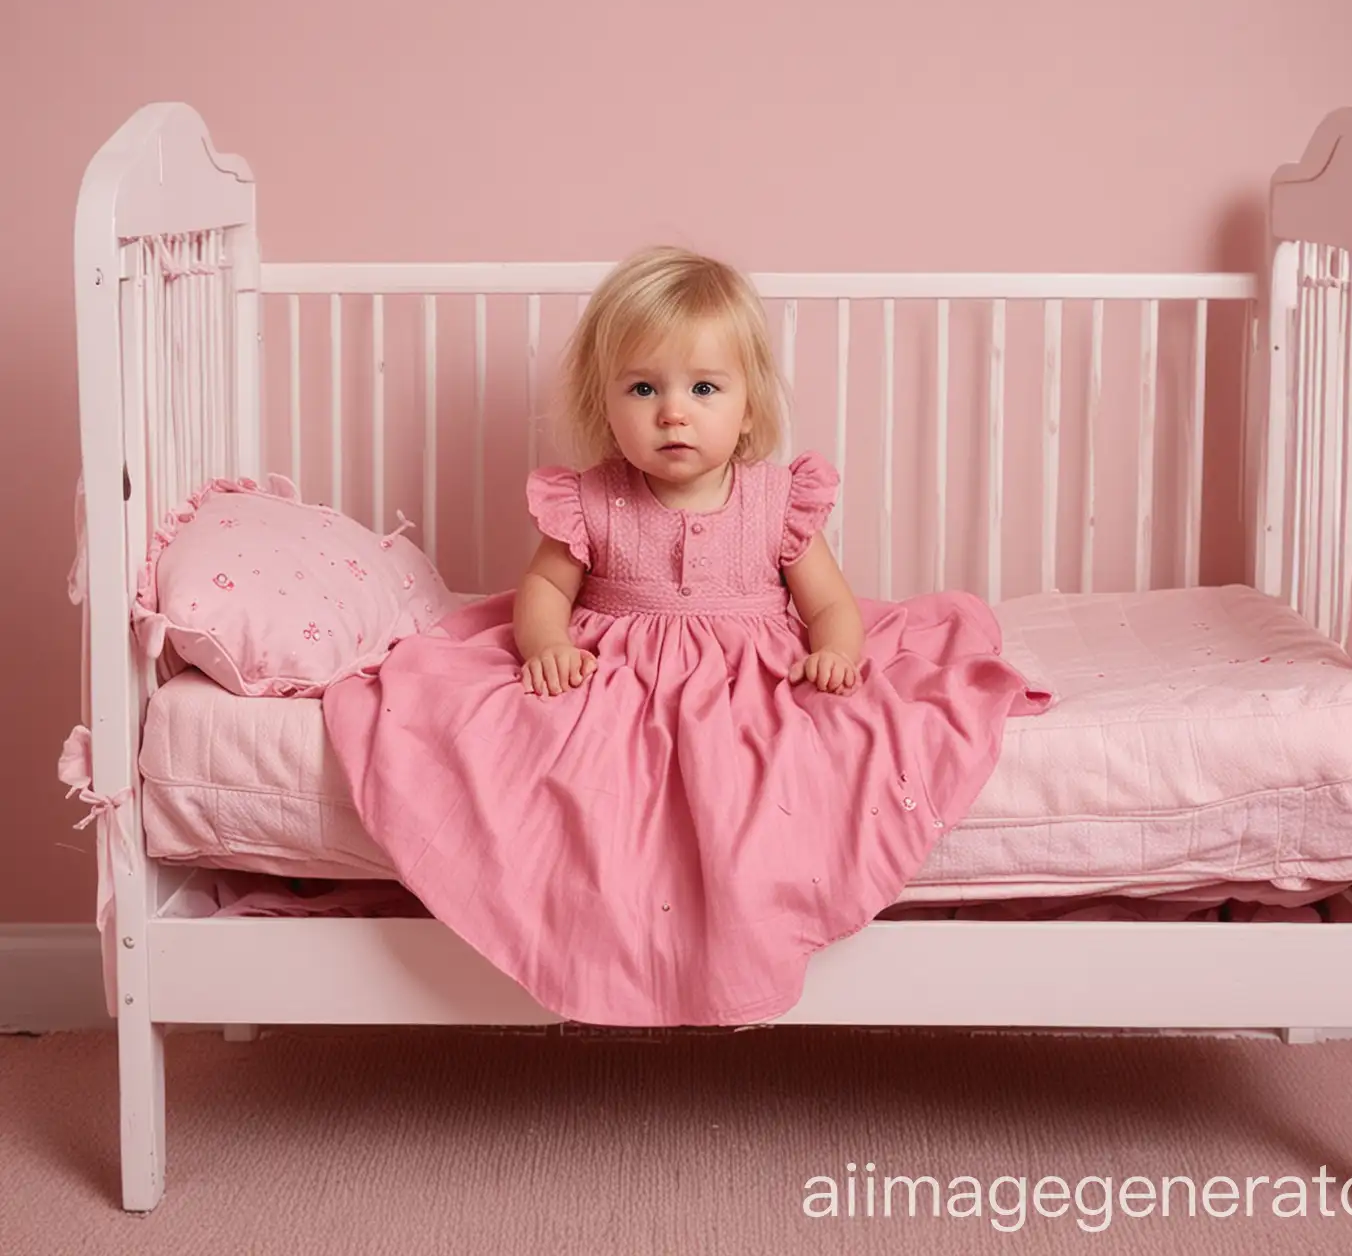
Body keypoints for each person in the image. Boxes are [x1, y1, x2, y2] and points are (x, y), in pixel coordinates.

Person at [322, 247, 1051, 1027]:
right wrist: (547, 645)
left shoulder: (776, 502)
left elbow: (832, 605)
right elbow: (541, 592)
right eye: (644, 388)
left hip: (752, 668)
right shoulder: (591, 501)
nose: (674, 411)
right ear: (606, 404)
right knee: (526, 740)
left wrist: (835, 650)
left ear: (747, 403)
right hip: (618, 665)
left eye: (704, 388)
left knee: (835, 734)